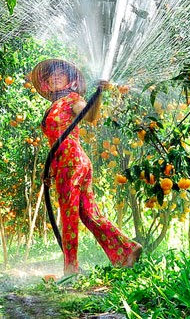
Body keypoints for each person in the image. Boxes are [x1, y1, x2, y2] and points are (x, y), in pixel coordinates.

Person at [31, 58, 141, 274]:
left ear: (70, 80)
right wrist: (50, 172)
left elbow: (90, 115)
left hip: (71, 162)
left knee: (69, 215)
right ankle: (127, 249)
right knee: (90, 215)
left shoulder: (72, 99)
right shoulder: (54, 105)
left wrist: (97, 95)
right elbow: (54, 143)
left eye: (60, 74)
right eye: (51, 75)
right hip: (67, 163)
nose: (54, 77)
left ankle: (71, 268)